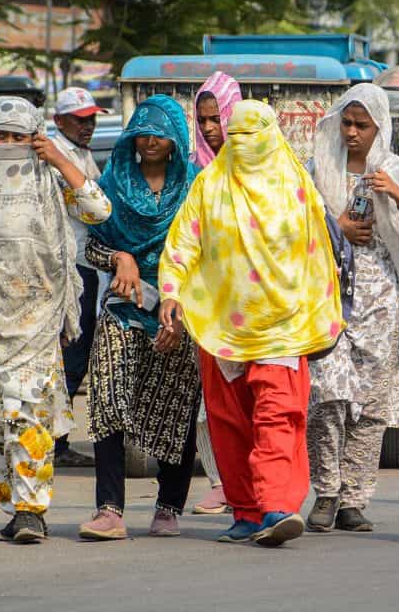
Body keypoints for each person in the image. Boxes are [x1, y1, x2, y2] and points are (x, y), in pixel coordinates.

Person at [158, 99, 344, 547]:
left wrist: (320, 311)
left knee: (277, 415)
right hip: (222, 326)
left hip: (282, 326)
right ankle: (245, 511)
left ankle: (277, 505)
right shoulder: (209, 185)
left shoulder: (296, 185)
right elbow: (183, 242)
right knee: (230, 422)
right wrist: (171, 291)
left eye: (251, 136)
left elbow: (319, 254)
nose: (242, 144)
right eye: (235, 136)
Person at [305, 84, 399, 533]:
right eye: (347, 123)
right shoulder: (318, 169)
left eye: (362, 125)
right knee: (326, 395)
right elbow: (298, 226)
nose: (352, 132)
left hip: (379, 301)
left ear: (380, 128)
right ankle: (326, 491)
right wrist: (336, 228)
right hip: (328, 296)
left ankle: (353, 500)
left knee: (371, 405)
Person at [77, 95, 202, 541]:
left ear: (176, 140)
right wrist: (119, 257)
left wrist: (180, 308)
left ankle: (169, 506)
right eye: (143, 132)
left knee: (176, 407)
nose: (151, 141)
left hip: (180, 310)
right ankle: (109, 509)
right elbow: (90, 246)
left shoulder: (195, 188)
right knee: (107, 400)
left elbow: (208, 253)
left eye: (160, 134)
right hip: (122, 308)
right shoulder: (113, 182)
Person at [0, 96, 84, 543]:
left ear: (34, 138)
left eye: (17, 136)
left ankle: (30, 511)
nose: (6, 144)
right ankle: (13, 506)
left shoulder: (48, 176)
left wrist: (58, 159)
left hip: (36, 317)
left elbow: (97, 211)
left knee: (27, 417)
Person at [185, 71, 242, 516]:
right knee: (209, 397)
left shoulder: (256, 167)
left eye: (216, 118)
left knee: (249, 393)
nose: (208, 128)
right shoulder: (192, 172)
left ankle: (252, 480)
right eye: (202, 119)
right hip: (204, 302)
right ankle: (221, 480)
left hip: (250, 300)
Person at [50, 87, 115, 468]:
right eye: (80, 119)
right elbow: (92, 211)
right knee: (72, 356)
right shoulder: (56, 157)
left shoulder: (79, 153)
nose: (88, 125)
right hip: (68, 268)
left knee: (76, 356)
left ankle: (56, 441)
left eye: (91, 119)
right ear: (59, 121)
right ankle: (54, 444)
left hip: (85, 267)